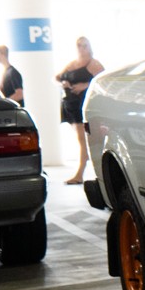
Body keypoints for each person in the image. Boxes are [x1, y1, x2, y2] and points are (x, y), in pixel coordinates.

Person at [57, 37, 103, 185]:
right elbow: (56, 77)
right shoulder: (72, 64)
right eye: (79, 46)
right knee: (80, 139)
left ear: (89, 47)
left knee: (83, 140)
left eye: (84, 46)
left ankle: (79, 173)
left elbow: (103, 80)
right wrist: (63, 82)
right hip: (70, 104)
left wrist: (84, 85)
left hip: (83, 104)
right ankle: (82, 169)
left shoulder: (94, 64)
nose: (82, 49)